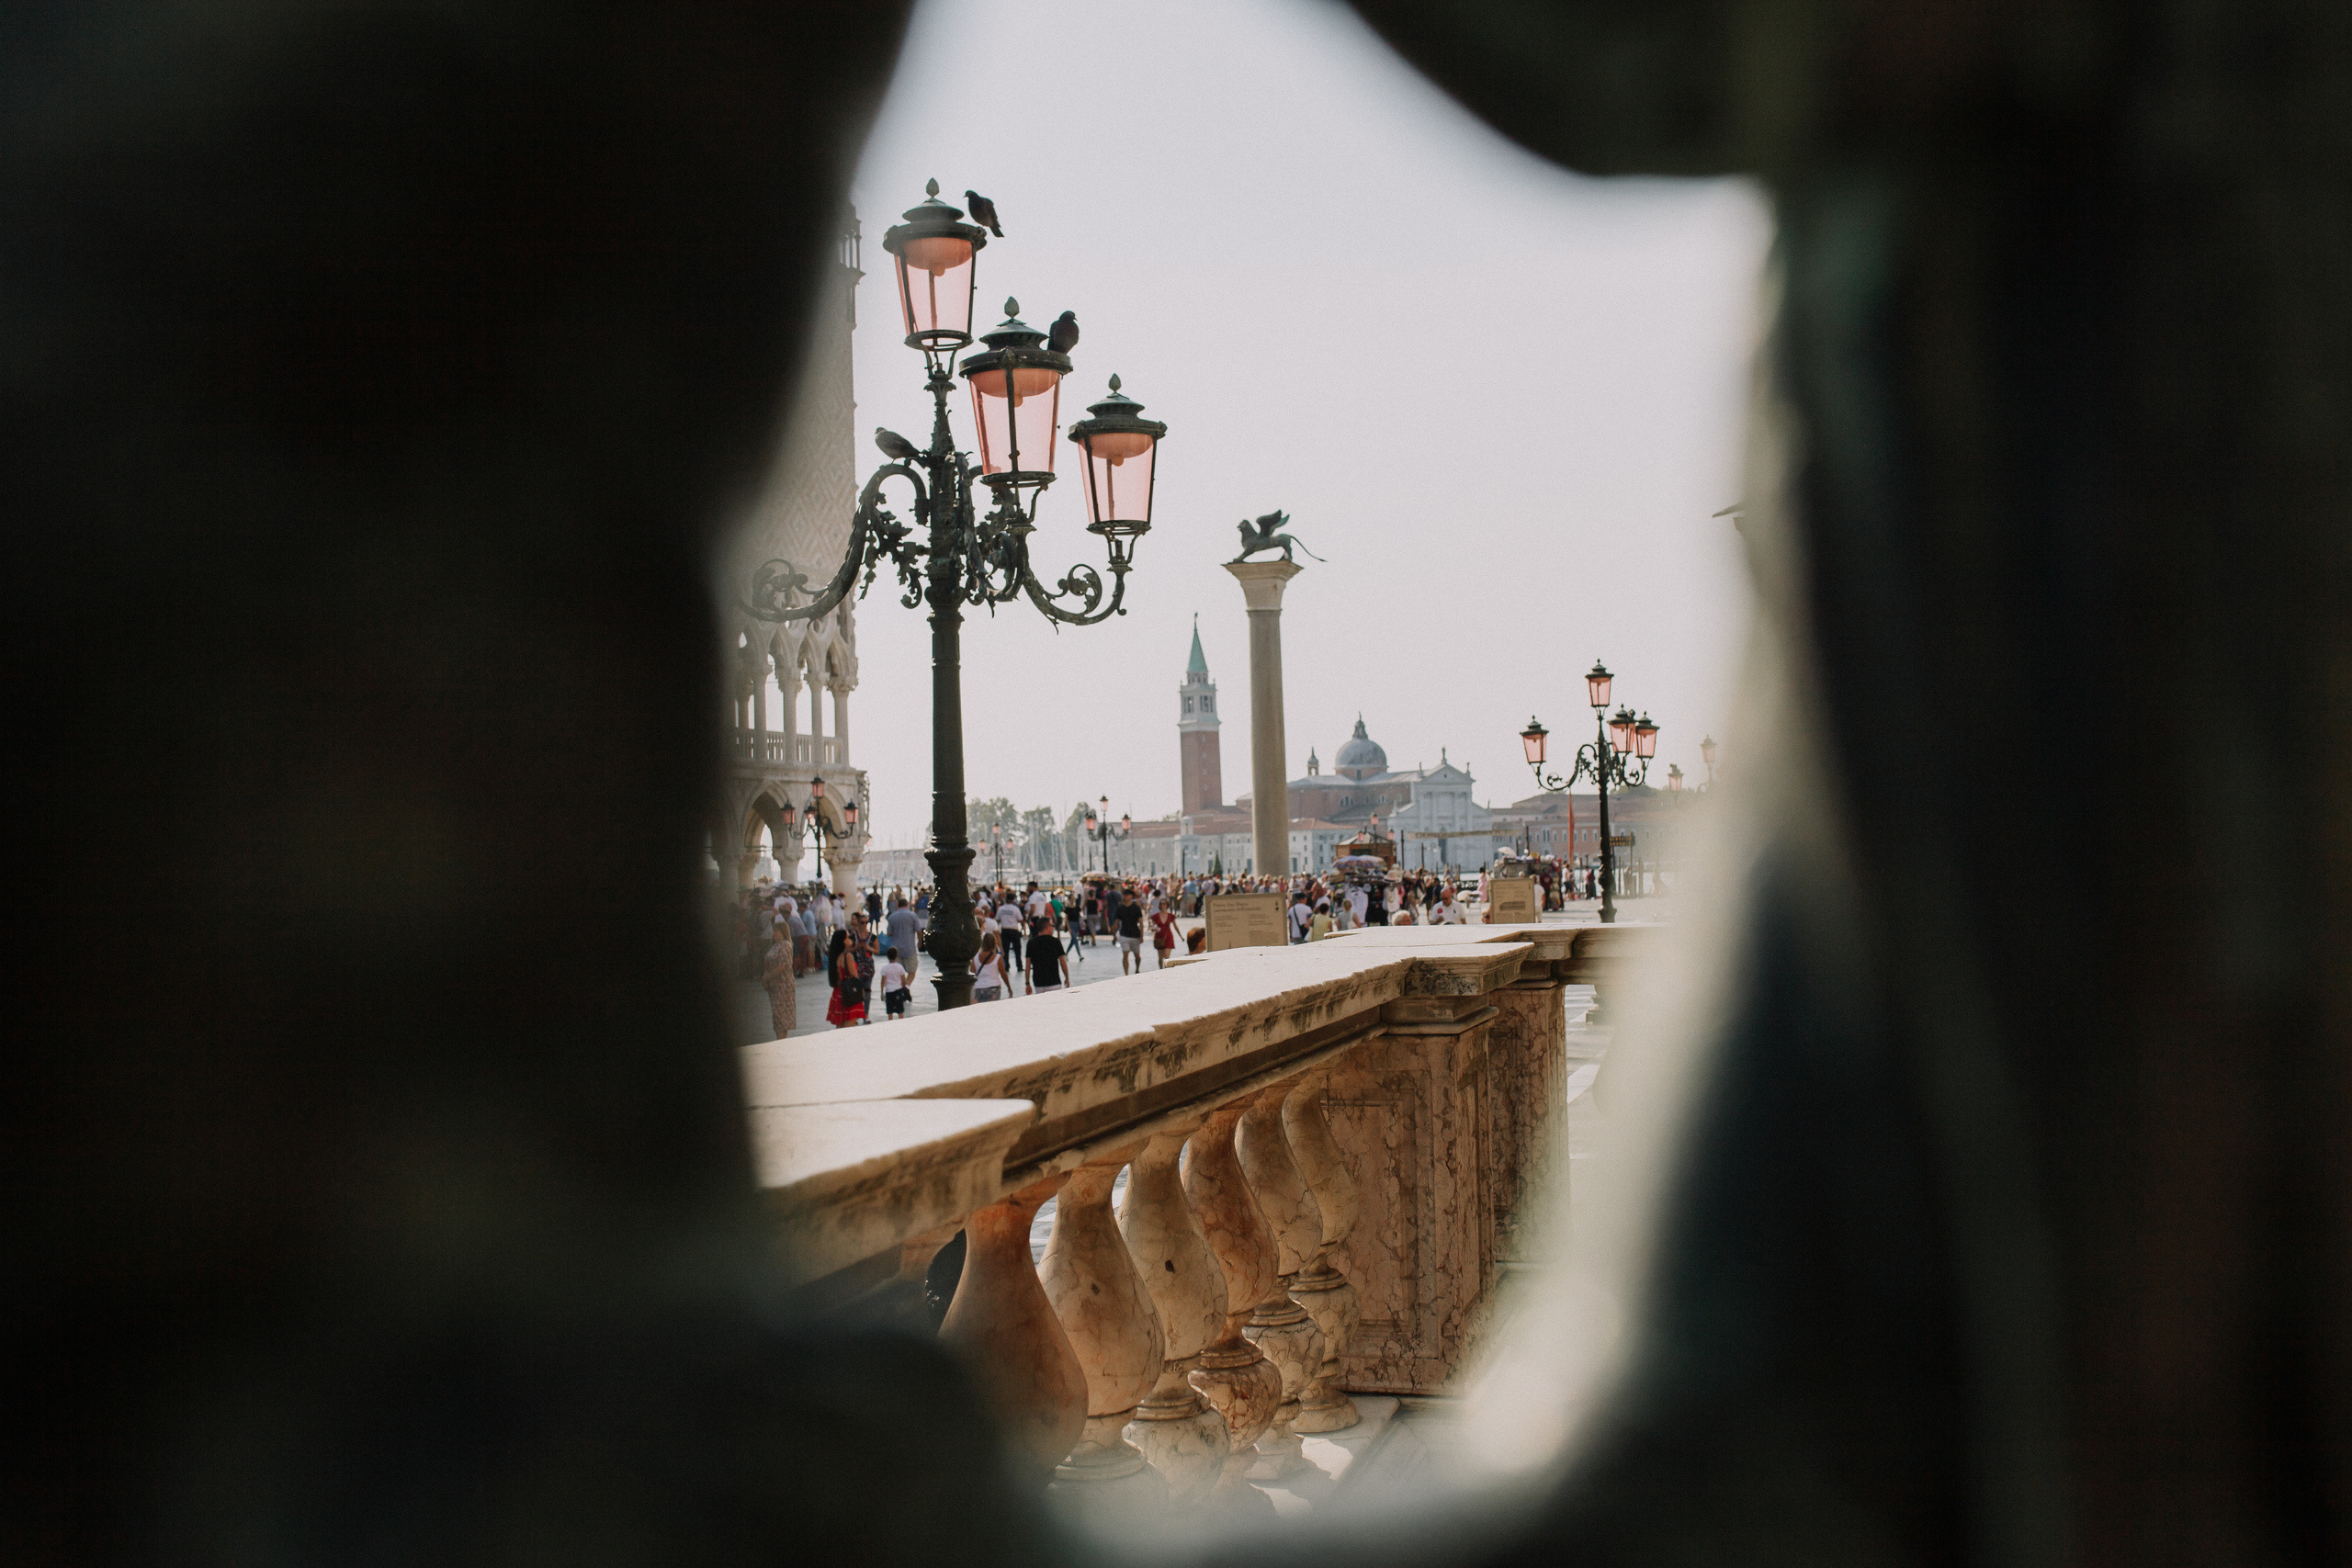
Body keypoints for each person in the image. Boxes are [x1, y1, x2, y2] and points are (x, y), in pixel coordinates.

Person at [826, 910, 874, 1027]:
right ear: (842, 942)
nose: (850, 940)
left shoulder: (835, 957)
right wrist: (862, 991)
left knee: (840, 1026)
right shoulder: (847, 957)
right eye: (847, 938)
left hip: (838, 993)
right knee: (849, 1027)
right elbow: (854, 976)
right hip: (849, 994)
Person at [760, 923, 795, 1040]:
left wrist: (767, 977)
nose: (773, 934)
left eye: (776, 931)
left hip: (783, 985)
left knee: (782, 1015)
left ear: (782, 932)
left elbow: (783, 966)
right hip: (774, 986)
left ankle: (781, 1039)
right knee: (777, 1015)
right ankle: (779, 1038)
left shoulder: (786, 945)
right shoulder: (775, 945)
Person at [1025, 912, 1071, 995]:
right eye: (1052, 926)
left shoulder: (1031, 943)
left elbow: (1028, 964)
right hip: (1054, 981)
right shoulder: (1055, 942)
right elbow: (1062, 962)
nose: (1053, 928)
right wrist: (1067, 977)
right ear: (1047, 928)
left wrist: (1027, 983)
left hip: (1038, 983)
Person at [886, 895, 922, 971]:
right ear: (907, 905)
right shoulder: (913, 916)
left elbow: (889, 933)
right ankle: (907, 983)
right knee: (912, 970)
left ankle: (902, 982)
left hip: (896, 949)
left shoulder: (892, 917)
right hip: (910, 948)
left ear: (898, 905)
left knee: (897, 971)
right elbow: (919, 931)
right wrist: (920, 942)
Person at [972, 931, 1008, 1003]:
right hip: (994, 988)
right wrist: (1009, 988)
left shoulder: (975, 958)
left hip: (979, 988)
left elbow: (973, 974)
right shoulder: (998, 958)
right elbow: (1003, 974)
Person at [878, 946, 911, 1021]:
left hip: (889, 991)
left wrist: (881, 992)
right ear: (897, 956)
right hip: (898, 990)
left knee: (890, 1010)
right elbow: (903, 980)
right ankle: (901, 1022)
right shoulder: (900, 967)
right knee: (900, 1010)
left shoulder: (885, 968)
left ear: (887, 956)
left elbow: (882, 981)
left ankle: (891, 1023)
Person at [1114, 896, 1145, 975]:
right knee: (1125, 955)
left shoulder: (1136, 908)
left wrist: (1141, 936)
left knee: (1137, 956)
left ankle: (1137, 969)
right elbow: (1116, 923)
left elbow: (1141, 923)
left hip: (1135, 935)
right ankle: (1126, 973)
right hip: (1124, 935)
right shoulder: (1120, 908)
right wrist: (1114, 935)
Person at [997, 895, 1025, 974]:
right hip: (1014, 930)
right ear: (1013, 900)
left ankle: (1006, 966)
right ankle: (1019, 966)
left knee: (1005, 949)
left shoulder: (1001, 908)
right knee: (1017, 949)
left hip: (1005, 930)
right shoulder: (1015, 909)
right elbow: (1020, 919)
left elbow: (997, 919)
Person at [1148, 901, 1178, 967]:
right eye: (1161, 904)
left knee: (1167, 957)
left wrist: (1181, 936)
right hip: (1159, 936)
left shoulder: (1171, 916)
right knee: (1160, 957)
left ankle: (1166, 971)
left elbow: (1175, 926)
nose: (1163, 905)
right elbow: (1153, 926)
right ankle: (1161, 969)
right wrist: (1153, 929)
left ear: (1167, 905)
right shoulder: (1155, 916)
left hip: (1168, 936)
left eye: (1164, 904)